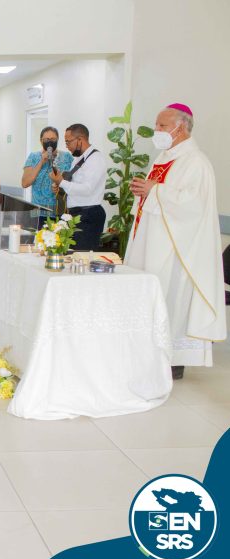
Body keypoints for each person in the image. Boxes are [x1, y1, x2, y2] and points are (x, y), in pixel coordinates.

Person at [126, 103, 227, 380]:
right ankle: (147, 353)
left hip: (174, 249)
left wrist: (154, 191)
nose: (156, 130)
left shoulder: (196, 162)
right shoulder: (164, 157)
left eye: (161, 125)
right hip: (151, 241)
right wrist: (145, 190)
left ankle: (172, 359)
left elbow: (193, 205)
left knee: (171, 300)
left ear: (180, 127)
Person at [48, 124, 106, 250]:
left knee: (82, 256)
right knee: (70, 254)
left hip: (88, 215)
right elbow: (74, 185)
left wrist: (62, 182)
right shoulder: (78, 159)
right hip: (75, 214)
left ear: (80, 139)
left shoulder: (95, 159)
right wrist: (60, 187)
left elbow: (87, 189)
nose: (67, 146)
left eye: (68, 142)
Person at [21, 126, 74, 228]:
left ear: (58, 140)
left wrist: (61, 186)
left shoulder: (67, 157)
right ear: (41, 141)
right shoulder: (33, 156)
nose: (50, 142)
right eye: (46, 139)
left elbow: (74, 180)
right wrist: (41, 161)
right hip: (39, 212)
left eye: (53, 139)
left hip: (61, 211)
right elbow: (25, 183)